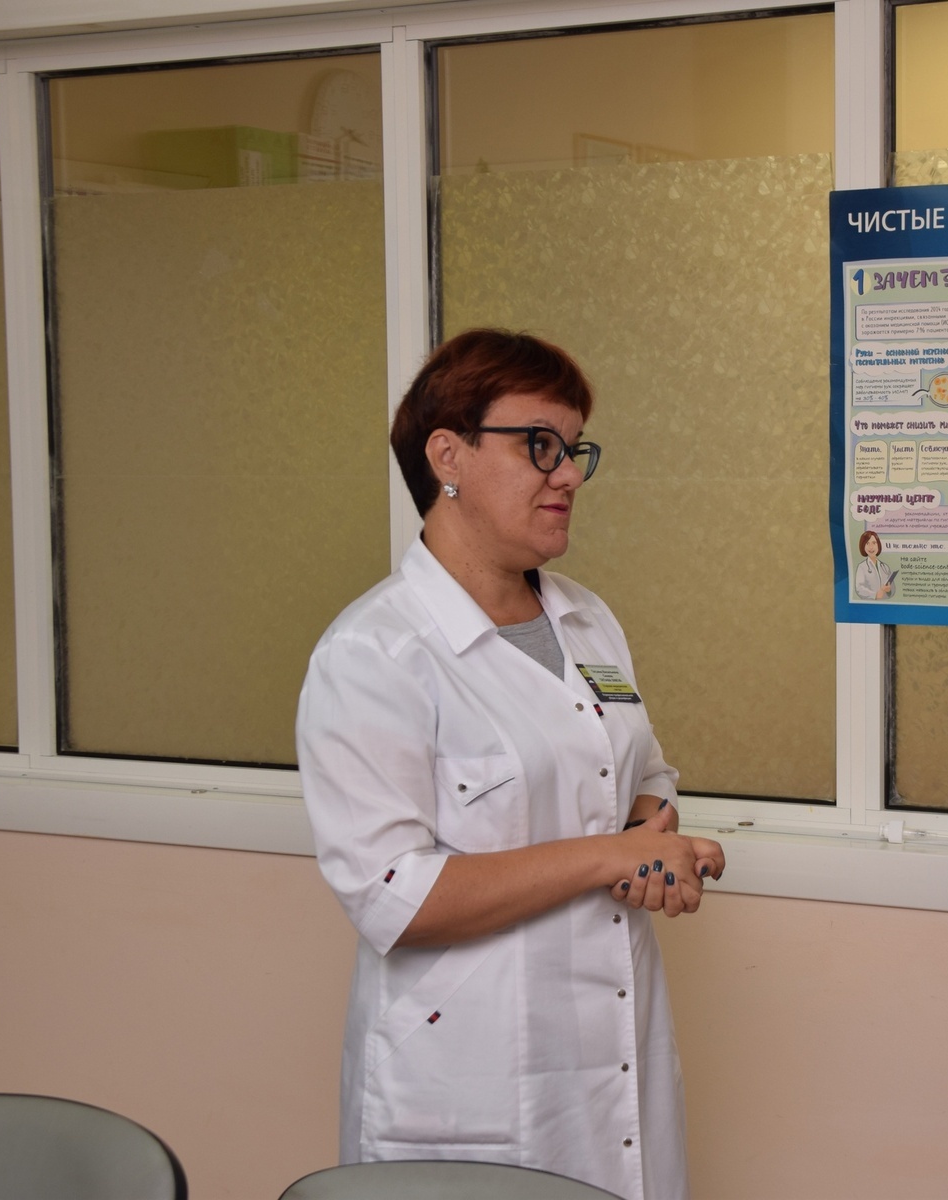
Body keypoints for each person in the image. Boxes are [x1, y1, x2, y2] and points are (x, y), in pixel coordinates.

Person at [297, 329, 722, 1200]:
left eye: (573, 450)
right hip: (470, 1074)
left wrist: (652, 843)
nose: (567, 475)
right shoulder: (375, 653)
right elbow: (395, 896)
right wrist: (611, 854)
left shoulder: (587, 620)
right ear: (446, 456)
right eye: (539, 445)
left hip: (609, 1054)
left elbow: (644, 773)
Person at [854, 529, 895, 599]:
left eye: (874, 543)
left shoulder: (885, 567)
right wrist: (875, 595)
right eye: (867, 543)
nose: (871, 547)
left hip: (885, 602)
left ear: (878, 545)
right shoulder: (862, 567)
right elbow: (859, 588)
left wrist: (889, 590)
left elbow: (892, 587)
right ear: (863, 546)